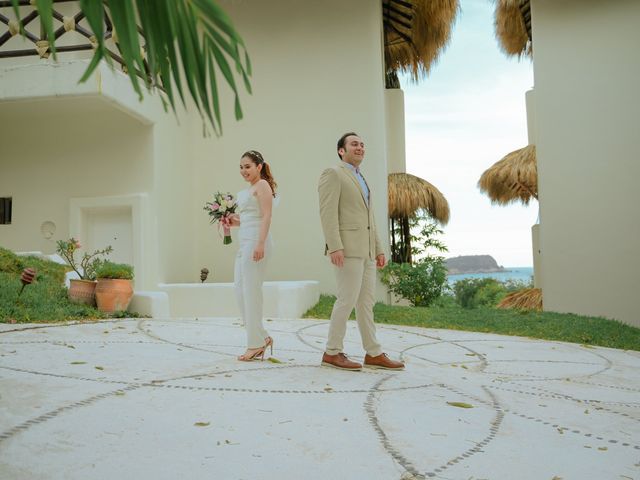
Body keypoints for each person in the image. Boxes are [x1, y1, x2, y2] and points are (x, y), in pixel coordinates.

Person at [318, 132, 405, 371]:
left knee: (366, 302)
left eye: (362, 144)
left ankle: (373, 353)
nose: (360, 147)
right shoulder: (333, 173)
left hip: (365, 251)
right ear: (341, 150)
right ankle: (332, 352)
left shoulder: (361, 177)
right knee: (346, 300)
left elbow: (370, 219)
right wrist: (334, 245)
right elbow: (327, 213)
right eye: (354, 144)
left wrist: (378, 249)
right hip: (346, 249)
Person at [222, 150, 277, 361]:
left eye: (248, 166)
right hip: (244, 243)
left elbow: (266, 216)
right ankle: (261, 336)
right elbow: (246, 219)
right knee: (239, 289)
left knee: (251, 291)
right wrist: (230, 221)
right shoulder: (249, 189)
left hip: (257, 242)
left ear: (259, 167)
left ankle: (255, 344)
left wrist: (260, 244)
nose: (244, 170)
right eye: (241, 167)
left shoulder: (263, 185)